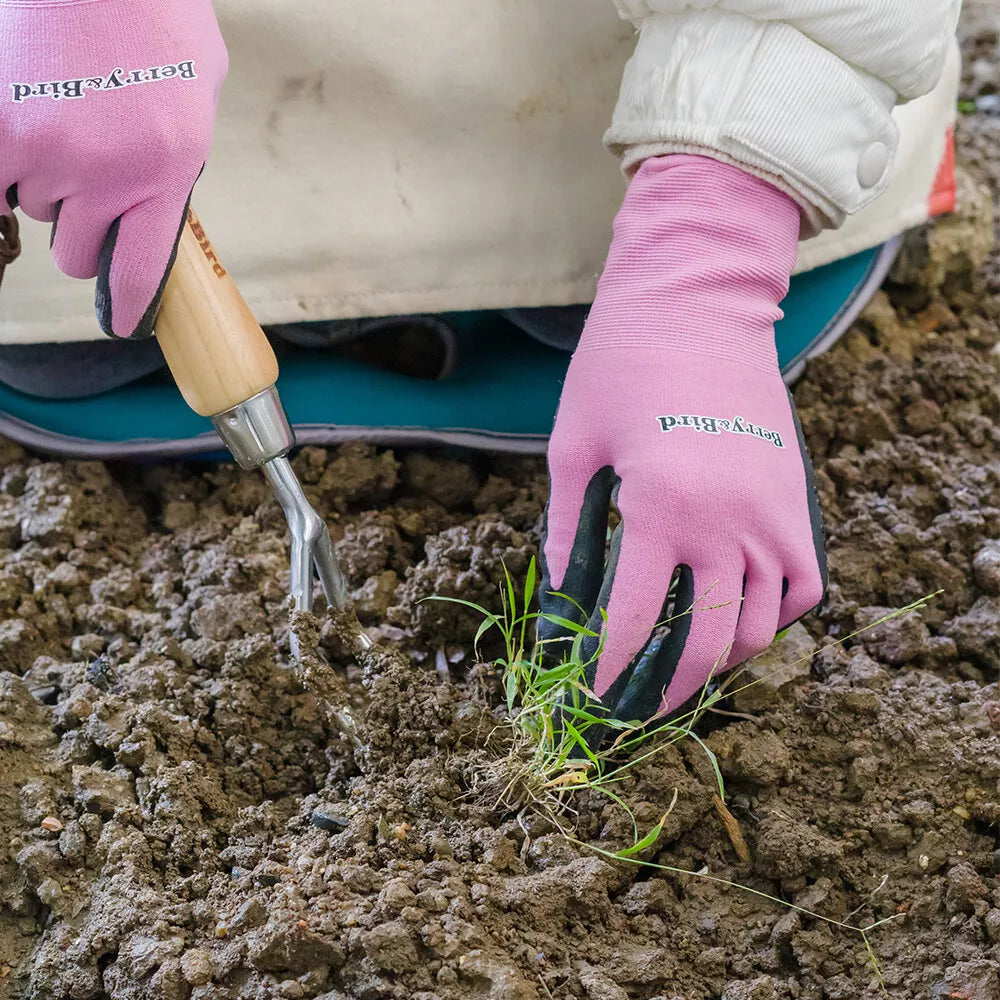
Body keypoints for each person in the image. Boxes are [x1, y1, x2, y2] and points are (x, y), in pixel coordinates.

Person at [0, 0, 962, 719]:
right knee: (71, 351)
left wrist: (711, 248)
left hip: (608, 89)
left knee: (582, 293)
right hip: (149, 97)